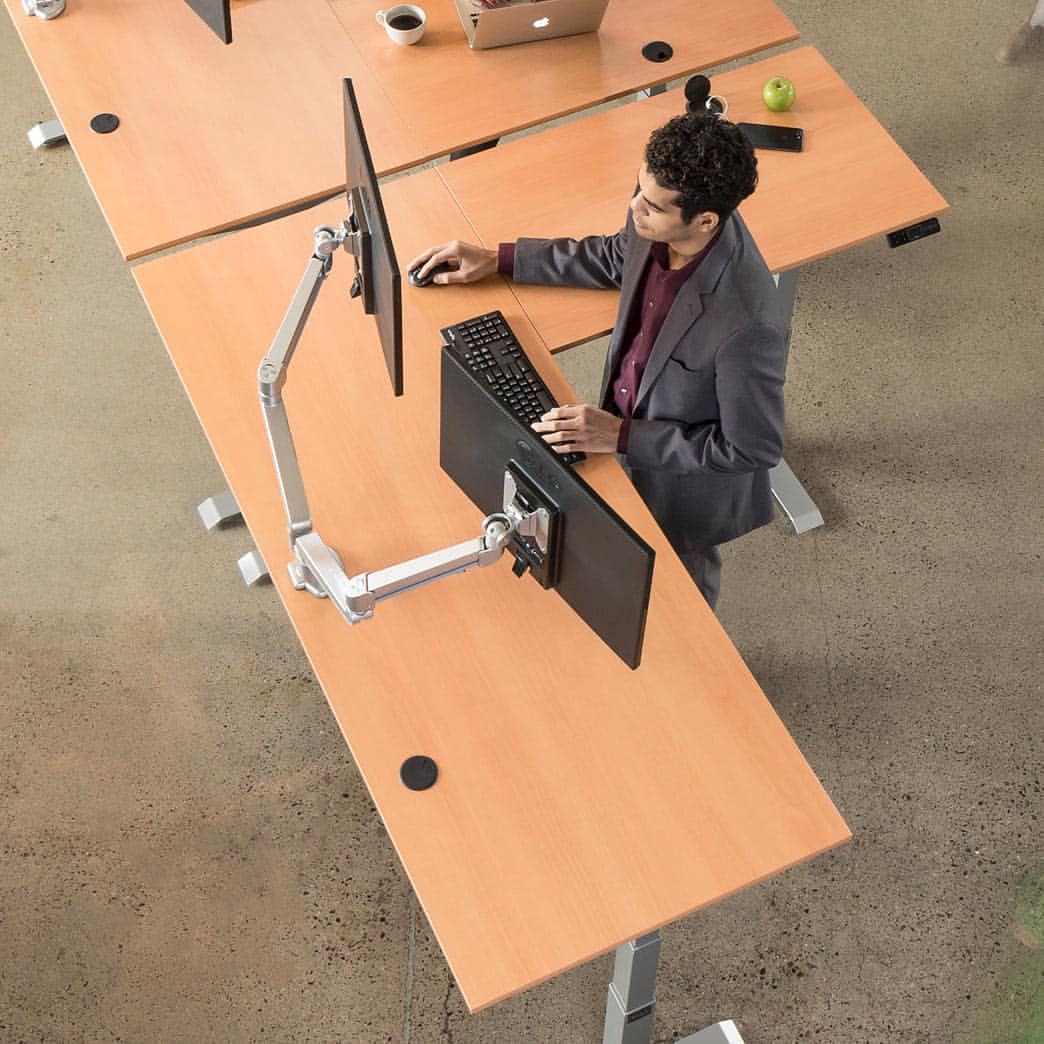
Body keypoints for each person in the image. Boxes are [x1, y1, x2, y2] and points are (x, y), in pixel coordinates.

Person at [408, 113, 788, 610]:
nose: (634, 208)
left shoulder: (745, 323)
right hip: (616, 433)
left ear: (706, 222)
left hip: (679, 487)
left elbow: (752, 448)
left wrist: (621, 436)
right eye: (637, 187)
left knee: (681, 598)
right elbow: (613, 257)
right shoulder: (658, 218)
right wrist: (500, 259)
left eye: (651, 205)